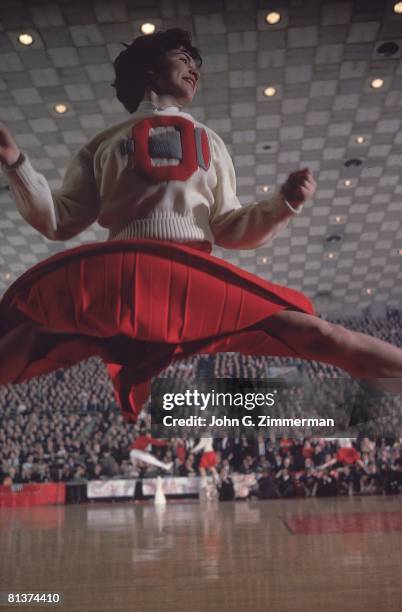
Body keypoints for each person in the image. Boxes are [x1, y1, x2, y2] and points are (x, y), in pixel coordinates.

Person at [0, 28, 401, 426]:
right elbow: (58, 219)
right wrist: (15, 162)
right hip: (124, 276)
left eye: (196, 64)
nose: (194, 69)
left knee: (324, 337)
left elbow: (227, 227)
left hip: (193, 276)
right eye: (183, 58)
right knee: (18, 343)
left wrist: (285, 205)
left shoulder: (212, 141)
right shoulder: (100, 146)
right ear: (149, 71)